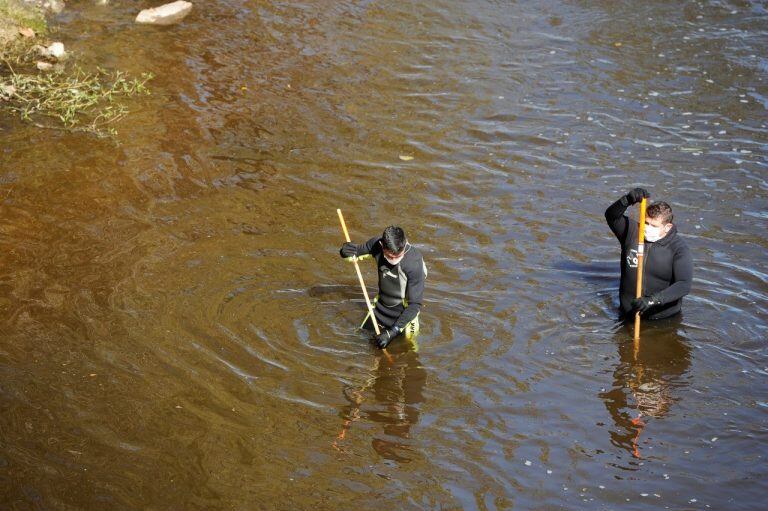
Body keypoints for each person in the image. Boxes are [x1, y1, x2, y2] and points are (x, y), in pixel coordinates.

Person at [605, 188, 693, 319]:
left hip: (662, 320)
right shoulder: (632, 233)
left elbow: (683, 285)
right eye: (646, 223)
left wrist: (652, 300)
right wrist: (627, 200)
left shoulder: (678, 249)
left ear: (667, 227)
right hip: (627, 315)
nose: (647, 228)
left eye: (654, 225)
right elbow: (611, 216)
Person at [339, 226, 427, 349]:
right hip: (379, 311)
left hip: (405, 321)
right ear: (382, 245)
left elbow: (415, 305)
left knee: (407, 355)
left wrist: (393, 331)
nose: (394, 260)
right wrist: (345, 252)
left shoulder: (414, 262)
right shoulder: (376, 245)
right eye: (390, 256)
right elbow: (354, 254)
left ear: (404, 244)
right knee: (361, 344)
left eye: (398, 256)